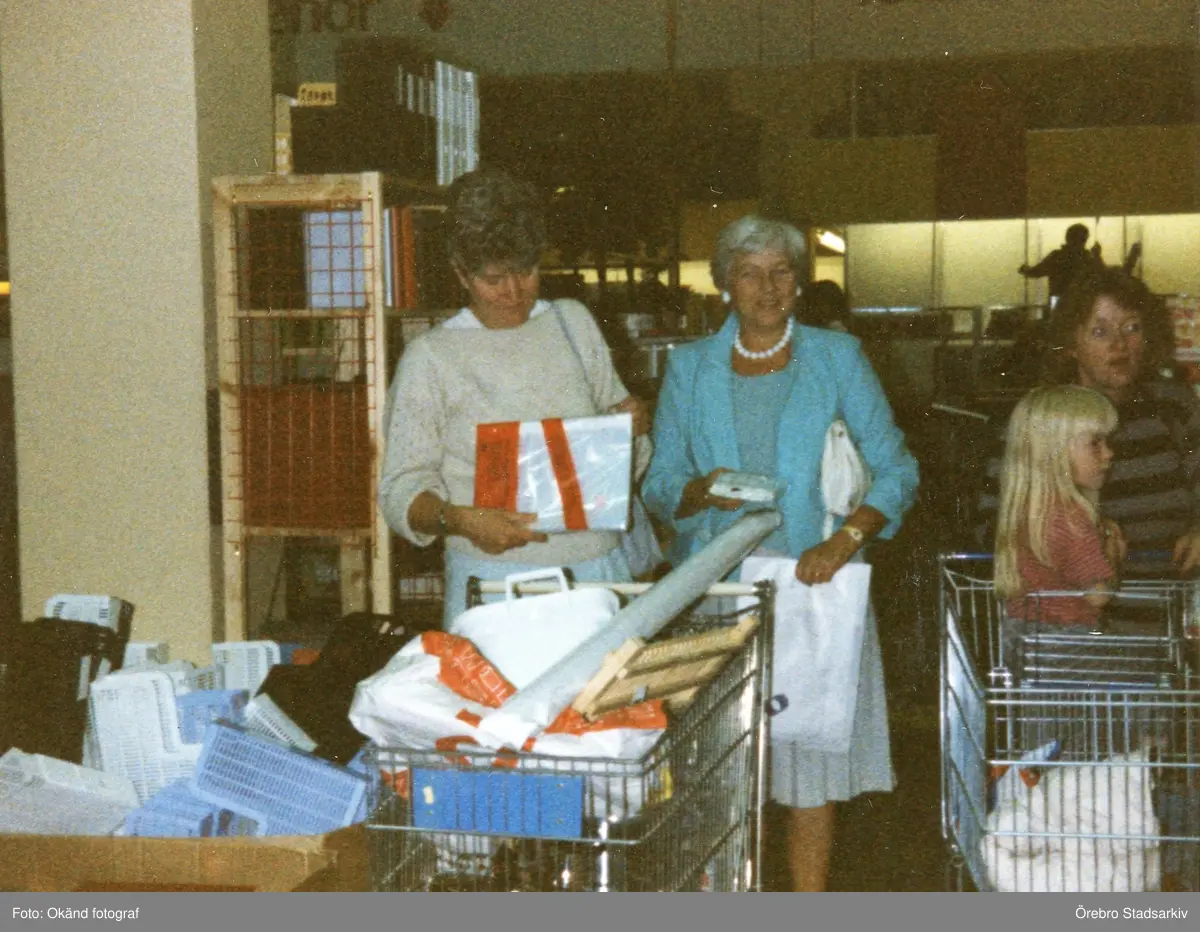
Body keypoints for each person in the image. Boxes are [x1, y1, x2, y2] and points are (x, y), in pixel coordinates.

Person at [641, 215, 920, 891]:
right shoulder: (690, 367)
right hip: (719, 595)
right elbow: (659, 484)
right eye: (749, 274)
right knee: (715, 777)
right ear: (724, 284)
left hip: (814, 588)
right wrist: (698, 490)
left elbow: (897, 470)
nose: (766, 289)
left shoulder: (837, 356)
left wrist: (845, 540)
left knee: (807, 780)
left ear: (799, 282)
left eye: (781, 272)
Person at [379, 168, 651, 627]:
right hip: (494, 579)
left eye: (526, 272)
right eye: (493, 278)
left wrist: (631, 427)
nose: (513, 292)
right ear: (461, 274)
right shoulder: (431, 357)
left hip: (598, 569)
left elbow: (630, 465)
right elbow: (399, 490)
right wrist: (459, 520)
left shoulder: (572, 323)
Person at [977, 268, 1200, 574]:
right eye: (1100, 331)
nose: (1119, 344)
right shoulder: (1041, 417)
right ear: (1070, 345)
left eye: (1132, 327)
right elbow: (992, 524)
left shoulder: (1174, 405)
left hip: (1172, 593)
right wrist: (1074, 532)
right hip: (1073, 598)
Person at [994, 385, 1125, 641]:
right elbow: (1098, 595)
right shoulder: (1071, 518)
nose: (1109, 453)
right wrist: (1114, 556)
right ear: (1055, 452)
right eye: (1095, 443)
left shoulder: (1030, 510)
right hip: (1068, 638)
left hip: (1023, 636)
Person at [1018, 223, 1104, 306]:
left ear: (1067, 237)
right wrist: (1097, 257)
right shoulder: (1088, 258)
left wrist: (1024, 269)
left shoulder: (1057, 256)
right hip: (1080, 302)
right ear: (1085, 239)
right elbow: (1103, 276)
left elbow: (1036, 272)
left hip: (1058, 301)